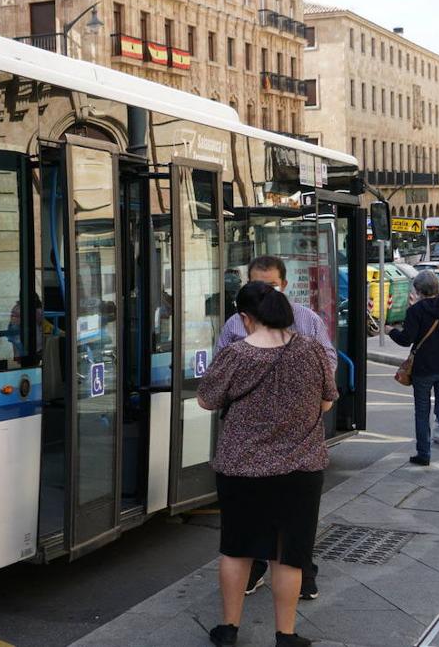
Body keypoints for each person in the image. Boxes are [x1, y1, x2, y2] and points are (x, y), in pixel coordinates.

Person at [198, 282, 337, 647]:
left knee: (236, 547)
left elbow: (207, 401)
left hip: (242, 469)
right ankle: (286, 634)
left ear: (245, 318)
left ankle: (228, 629)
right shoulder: (310, 351)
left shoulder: (236, 355)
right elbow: (327, 402)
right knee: (289, 555)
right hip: (300, 470)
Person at [216, 255, 333, 601]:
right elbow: (216, 380)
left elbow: (328, 367)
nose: (264, 293)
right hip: (251, 443)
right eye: (257, 285)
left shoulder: (307, 321)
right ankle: (254, 572)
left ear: (284, 285)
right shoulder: (235, 325)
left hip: (297, 441)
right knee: (252, 519)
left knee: (295, 523)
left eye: (271, 286)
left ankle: (304, 575)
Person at [385, 270, 439, 471]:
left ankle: (424, 454)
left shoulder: (416, 311)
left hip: (424, 369)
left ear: (418, 290)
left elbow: (406, 340)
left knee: (422, 411)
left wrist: (391, 331)